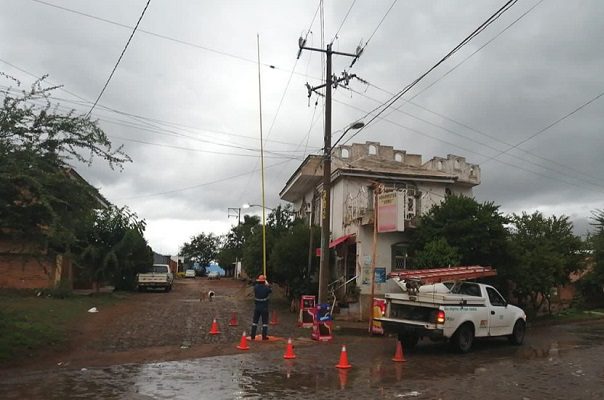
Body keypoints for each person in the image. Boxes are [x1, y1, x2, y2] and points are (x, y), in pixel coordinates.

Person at [250, 274, 272, 340]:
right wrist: (267, 284)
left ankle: (252, 335)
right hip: (264, 307)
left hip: (257, 307)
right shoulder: (266, 288)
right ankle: (264, 336)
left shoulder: (255, 287)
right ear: (264, 281)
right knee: (264, 322)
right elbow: (270, 290)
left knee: (255, 322)